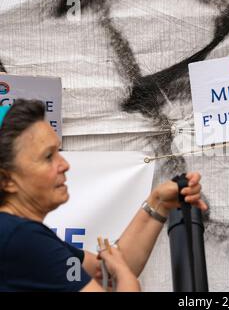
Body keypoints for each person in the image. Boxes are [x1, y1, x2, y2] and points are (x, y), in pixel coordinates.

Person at [0, 99, 208, 292]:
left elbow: (105, 273)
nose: (64, 164)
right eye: (48, 157)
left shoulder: (18, 235)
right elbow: (117, 277)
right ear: (6, 180)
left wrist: (159, 201)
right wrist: (129, 281)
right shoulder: (20, 237)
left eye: (58, 152)